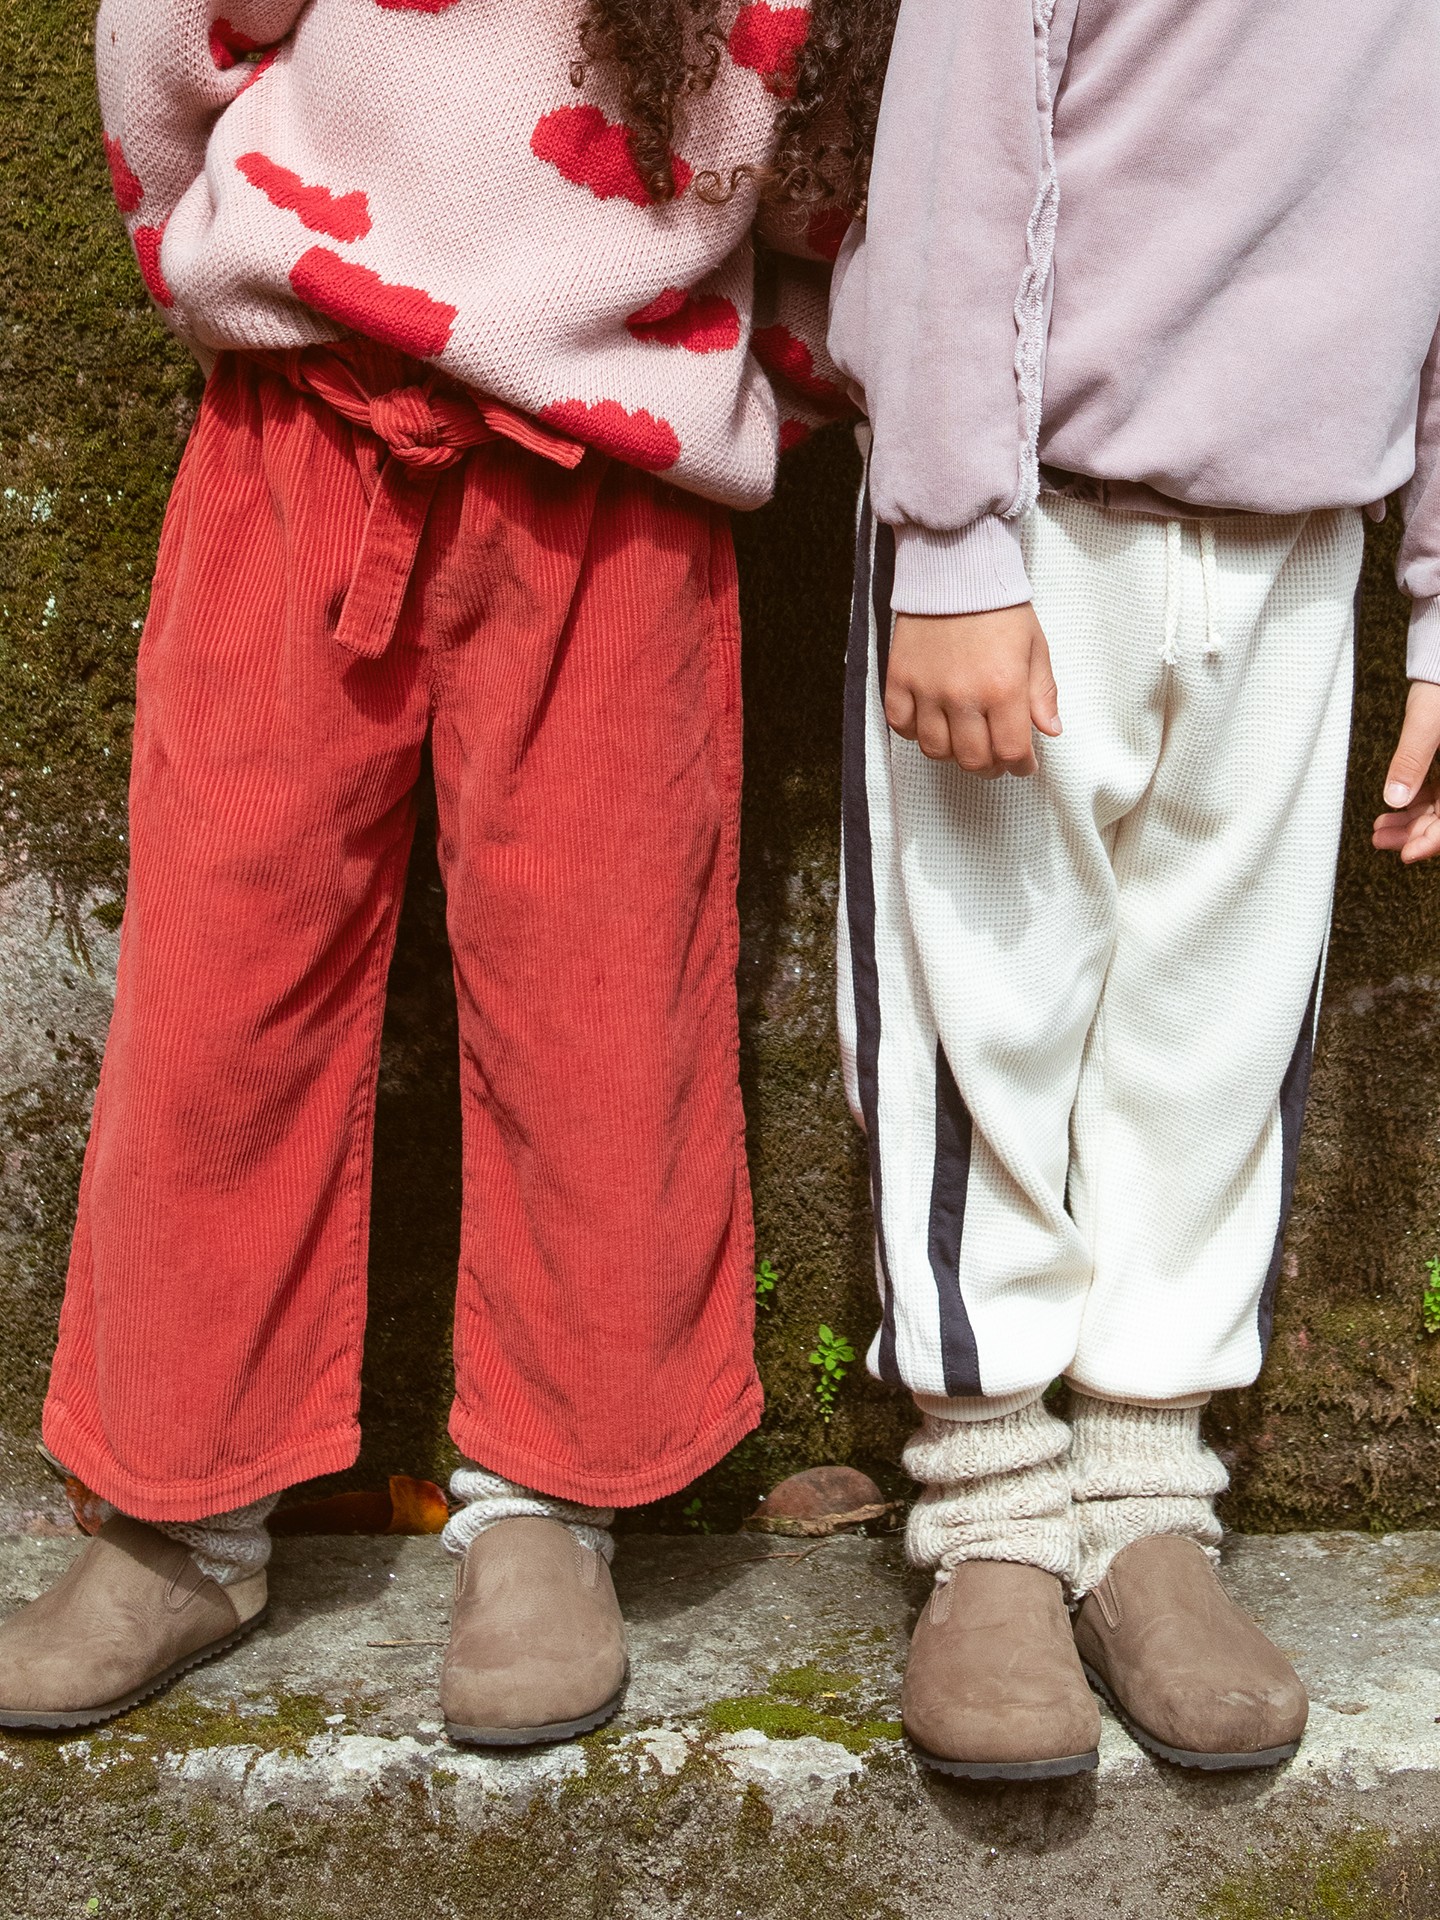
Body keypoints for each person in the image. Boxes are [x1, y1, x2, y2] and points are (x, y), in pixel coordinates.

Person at [0, 0, 885, 1745]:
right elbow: (170, 44)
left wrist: (698, 370)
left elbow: (830, 200)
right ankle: (179, 1507)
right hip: (298, 423)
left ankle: (554, 1501)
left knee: (602, 992)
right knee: (221, 982)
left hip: (611, 484)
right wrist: (237, 263)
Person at [828, 0, 1440, 1778]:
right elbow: (955, 161)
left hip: (1301, 537)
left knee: (1218, 1022)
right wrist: (949, 533)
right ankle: (995, 1504)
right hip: (1035, 527)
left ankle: (1149, 1490)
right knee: (981, 998)